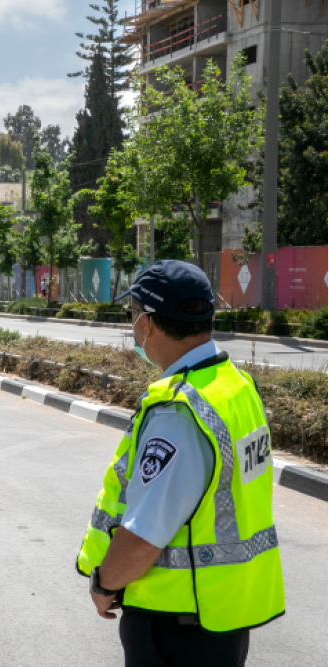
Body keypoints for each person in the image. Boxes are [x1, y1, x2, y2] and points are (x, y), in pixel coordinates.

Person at [76, 260, 284, 666]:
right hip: (221, 614)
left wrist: (104, 582)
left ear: (148, 323)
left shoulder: (179, 413)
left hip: (174, 626)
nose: (132, 324)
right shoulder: (235, 387)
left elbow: (144, 535)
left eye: (132, 313)